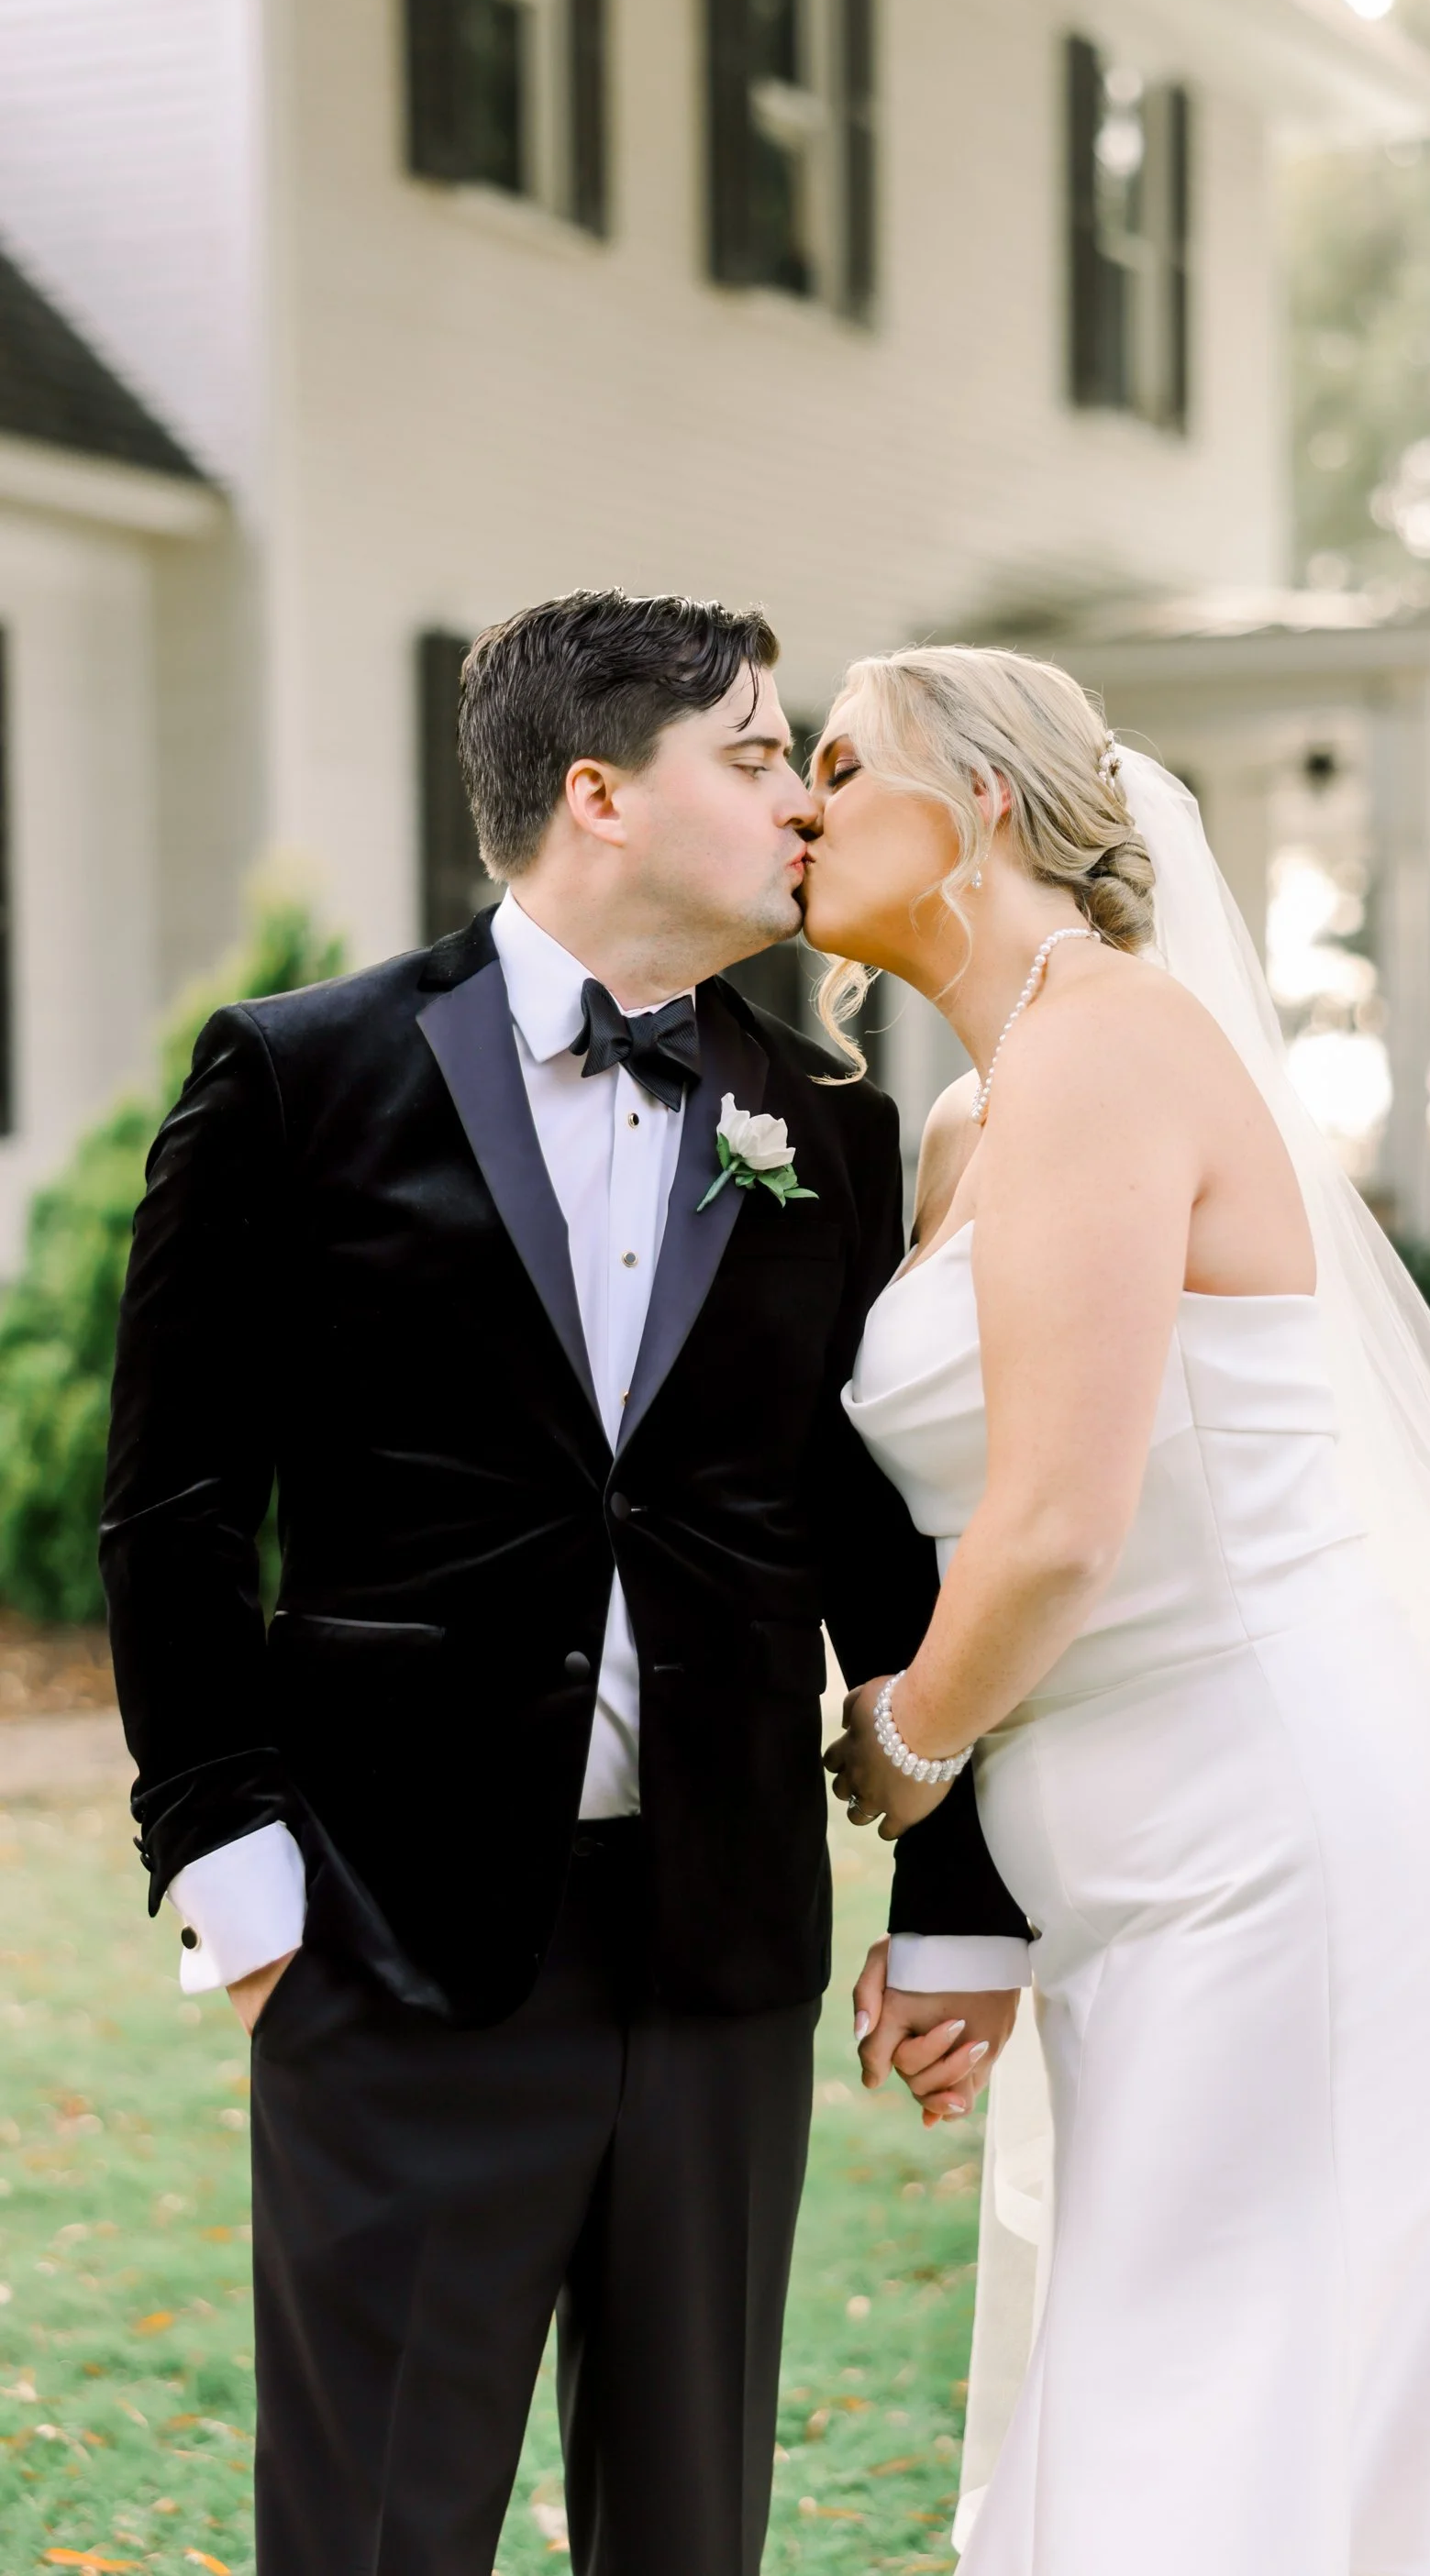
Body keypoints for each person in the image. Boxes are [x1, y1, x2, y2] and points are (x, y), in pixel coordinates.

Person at [815, 644, 1430, 2576]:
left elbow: (1051, 1534)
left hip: (1273, 1833)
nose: (802, 804)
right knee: (1255, 2388)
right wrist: (976, 1902)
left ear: (981, 810)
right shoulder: (968, 1122)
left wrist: (902, 1755)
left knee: (1260, 2401)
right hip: (1130, 1864)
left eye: (844, 766)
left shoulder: (1113, 1044)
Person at [100, 589, 1026, 2576]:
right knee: (370, 2532)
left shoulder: (826, 1126)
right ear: (599, 791)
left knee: (689, 2530)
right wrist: (233, 1870)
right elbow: (174, 1506)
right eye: (762, 752)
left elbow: (873, 1533)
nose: (803, 802)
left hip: (719, 1939)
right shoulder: (295, 1075)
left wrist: (956, 1901)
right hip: (390, 1931)